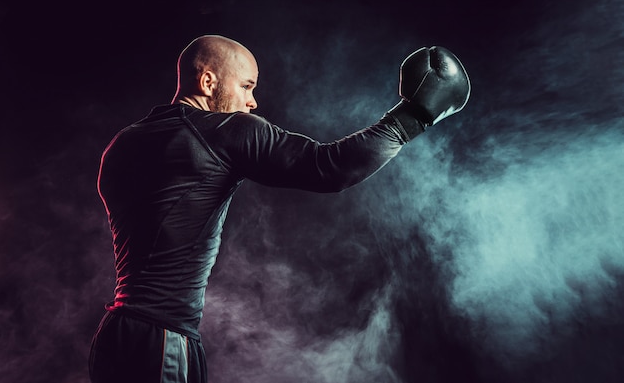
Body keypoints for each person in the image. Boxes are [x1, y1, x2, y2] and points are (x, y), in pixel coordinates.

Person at [88, 35, 471, 383]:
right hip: (162, 340)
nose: (252, 101)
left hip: (114, 336)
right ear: (208, 83)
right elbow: (329, 167)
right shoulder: (224, 131)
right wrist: (414, 116)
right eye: (246, 86)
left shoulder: (121, 145)